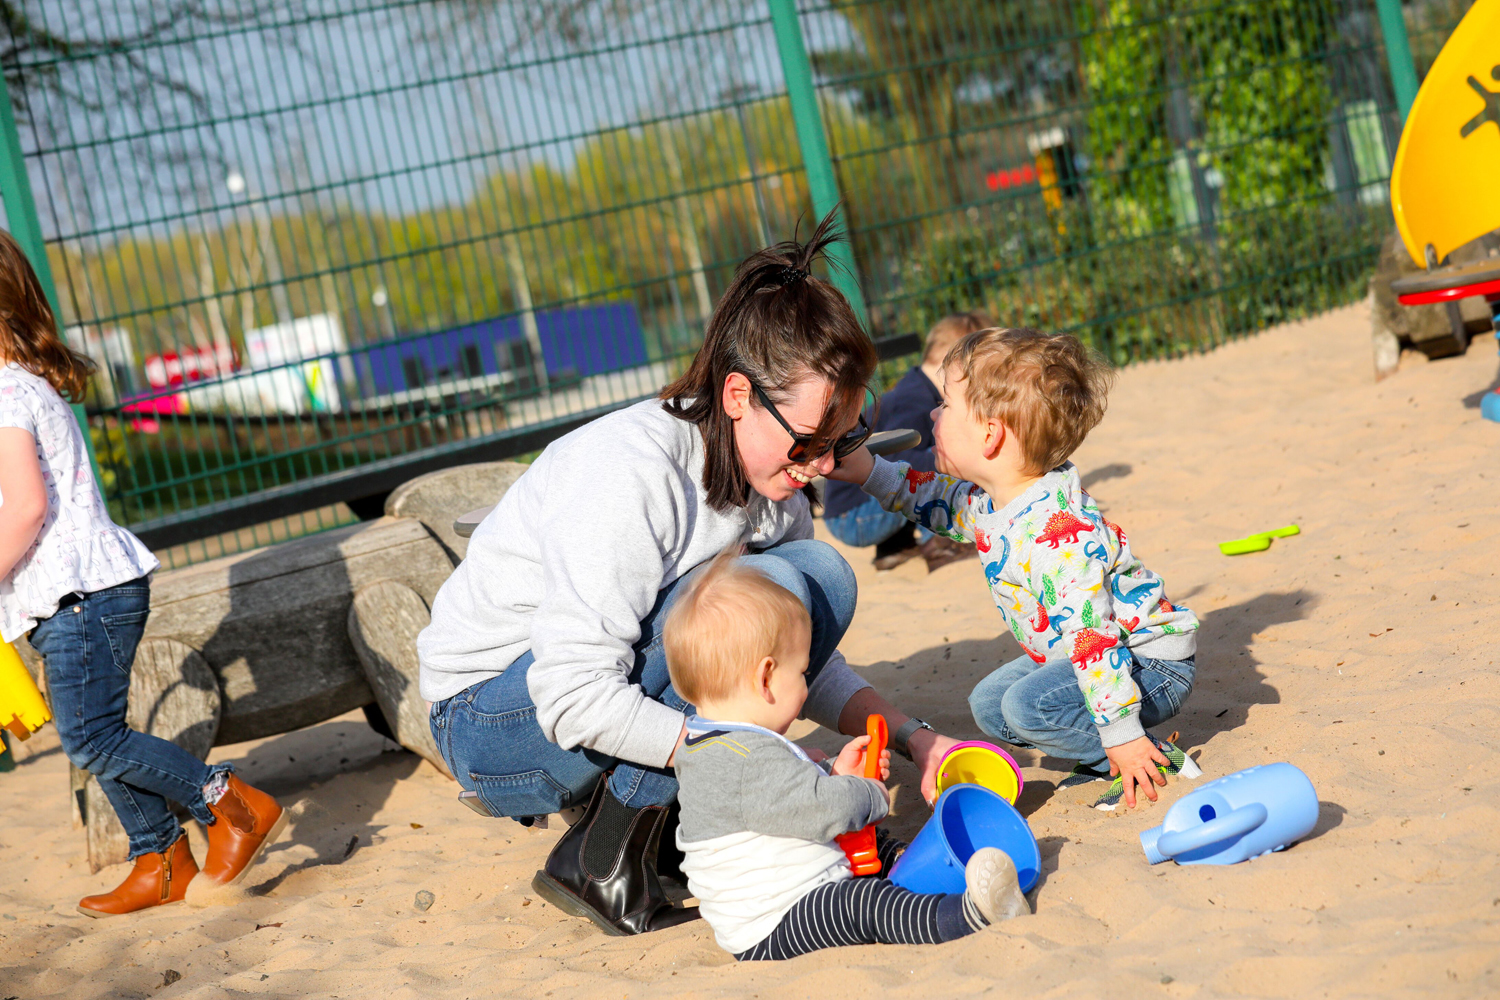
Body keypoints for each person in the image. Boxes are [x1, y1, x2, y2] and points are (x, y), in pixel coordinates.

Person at [417, 213, 961, 937]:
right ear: (737, 396)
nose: (826, 467)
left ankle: (661, 824)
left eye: (844, 440)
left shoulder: (774, 482)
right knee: (724, 608)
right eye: (810, 442)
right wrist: (749, 757)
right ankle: (604, 853)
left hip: (589, 684)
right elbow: (571, 694)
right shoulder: (634, 475)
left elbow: (794, 657)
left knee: (815, 578)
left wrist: (911, 737)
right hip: (494, 716)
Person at [0, 231, 284, 916]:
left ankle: (231, 802)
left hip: (82, 597)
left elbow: (27, 507)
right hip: (75, 595)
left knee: (92, 738)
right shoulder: (21, 385)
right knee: (100, 730)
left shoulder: (5, 391)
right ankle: (159, 860)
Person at [829, 326, 1201, 811]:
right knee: (991, 704)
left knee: (1026, 706)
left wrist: (1122, 732)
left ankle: (1141, 754)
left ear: (990, 434)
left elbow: (1094, 640)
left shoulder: (1057, 536)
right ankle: (1103, 752)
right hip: (1095, 655)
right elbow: (933, 498)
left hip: (1148, 662)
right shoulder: (997, 503)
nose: (933, 414)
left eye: (945, 405)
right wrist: (867, 471)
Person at [666, 548, 1029, 960]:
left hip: (797, 888)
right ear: (766, 677)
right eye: (802, 672)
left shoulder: (719, 740)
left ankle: (904, 863)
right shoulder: (742, 758)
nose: (807, 686)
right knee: (860, 905)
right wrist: (868, 790)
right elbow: (818, 809)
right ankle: (960, 917)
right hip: (775, 923)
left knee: (868, 843)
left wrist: (833, 771)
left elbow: (784, 801)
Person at [822, 312, 988, 572]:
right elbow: (900, 461)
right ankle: (940, 545)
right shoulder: (914, 400)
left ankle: (894, 547)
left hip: (855, 507)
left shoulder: (917, 388)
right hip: (853, 516)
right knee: (948, 464)